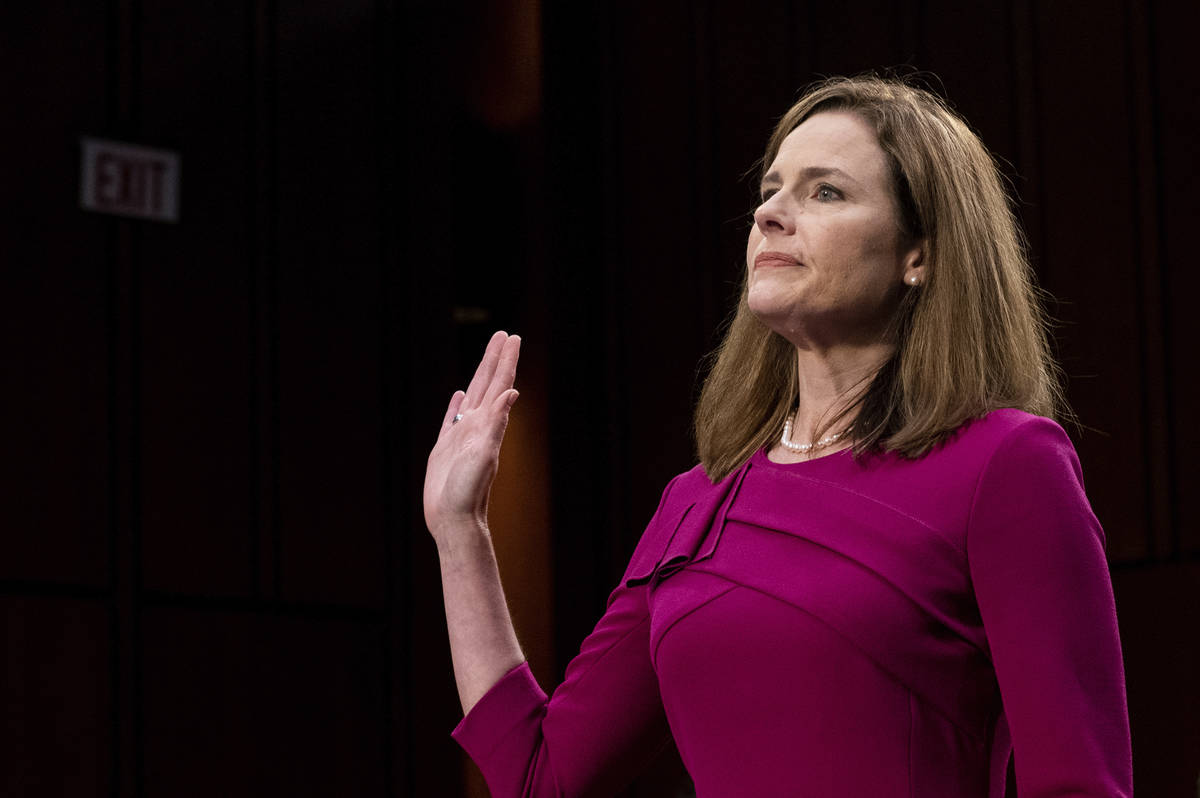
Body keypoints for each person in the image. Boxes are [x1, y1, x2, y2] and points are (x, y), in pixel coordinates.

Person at [423, 75, 1133, 797]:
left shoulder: (1005, 464)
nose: (770, 214)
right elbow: (542, 778)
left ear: (919, 253)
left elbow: (1079, 783)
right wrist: (460, 530)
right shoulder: (693, 503)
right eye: (771, 189)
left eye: (825, 192)